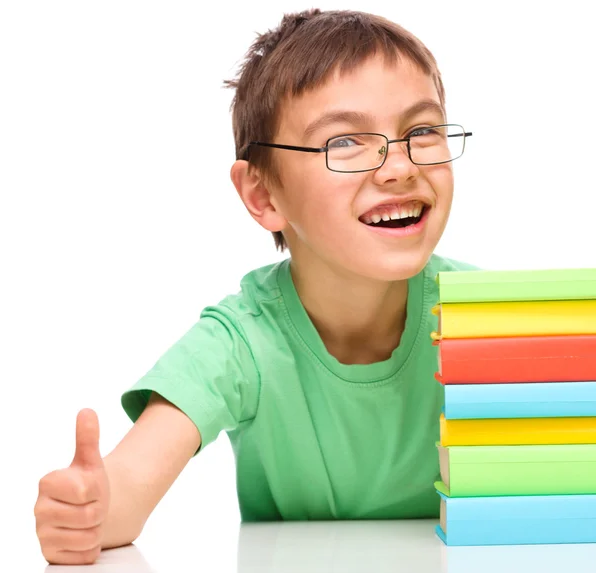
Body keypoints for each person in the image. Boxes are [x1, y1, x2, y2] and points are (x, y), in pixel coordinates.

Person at [34, 8, 477, 565]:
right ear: (263, 195)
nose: (398, 167)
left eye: (422, 131)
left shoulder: (487, 320)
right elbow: (125, 491)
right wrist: (89, 511)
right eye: (344, 143)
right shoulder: (240, 343)